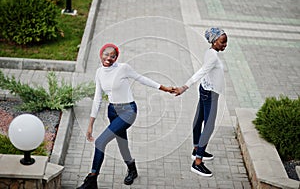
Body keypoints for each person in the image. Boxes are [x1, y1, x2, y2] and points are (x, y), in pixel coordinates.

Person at [77, 43, 173, 189]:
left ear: (116, 58)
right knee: (122, 144)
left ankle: (91, 180)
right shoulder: (99, 72)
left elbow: (141, 79)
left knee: (100, 142)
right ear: (101, 54)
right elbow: (97, 98)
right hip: (112, 111)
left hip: (128, 111)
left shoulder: (123, 68)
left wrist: (164, 88)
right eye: (106, 54)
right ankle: (132, 170)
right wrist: (90, 124)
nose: (109, 58)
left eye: (113, 56)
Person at [173, 27, 228, 177]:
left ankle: (197, 149)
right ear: (214, 41)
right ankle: (197, 163)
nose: (225, 45)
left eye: (226, 42)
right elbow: (202, 71)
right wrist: (185, 86)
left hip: (205, 90)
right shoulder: (213, 57)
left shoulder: (210, 53)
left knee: (199, 119)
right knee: (209, 126)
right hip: (210, 94)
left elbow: (207, 72)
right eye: (222, 42)